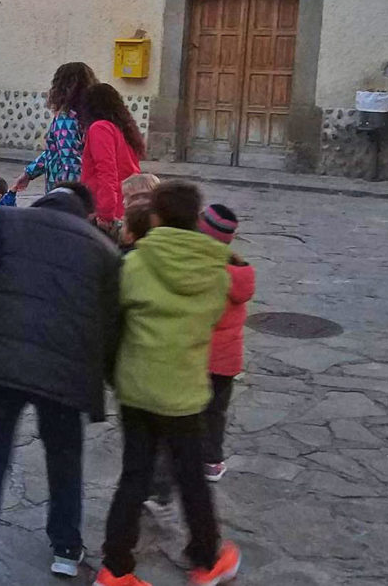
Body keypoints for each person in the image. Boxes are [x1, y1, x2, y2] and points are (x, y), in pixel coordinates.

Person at [0, 182, 122, 585]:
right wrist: (114, 380)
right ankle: (66, 549)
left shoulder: (6, 221)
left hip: (2, 364)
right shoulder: (104, 250)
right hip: (66, 374)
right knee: (65, 457)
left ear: (45, 200)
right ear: (83, 212)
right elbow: (113, 326)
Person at [96, 181, 240, 586]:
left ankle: (116, 567)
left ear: (155, 217)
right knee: (192, 477)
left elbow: (111, 322)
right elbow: (211, 320)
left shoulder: (134, 264)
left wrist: (114, 373)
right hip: (184, 391)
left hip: (137, 388)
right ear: (195, 219)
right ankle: (206, 558)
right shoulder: (216, 271)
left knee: (134, 476)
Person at [197, 204, 255, 482]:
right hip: (226, 359)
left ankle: (185, 455)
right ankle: (212, 462)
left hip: (197, 353)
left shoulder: (202, 269)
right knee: (216, 412)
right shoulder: (239, 270)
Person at [14, 62, 98, 194]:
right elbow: (54, 152)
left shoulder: (66, 119)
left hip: (66, 194)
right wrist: (29, 173)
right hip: (89, 188)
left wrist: (66, 196)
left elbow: (70, 161)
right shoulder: (89, 114)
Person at [79, 83, 144, 234]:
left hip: (107, 210)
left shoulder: (100, 128)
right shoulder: (124, 128)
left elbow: (106, 171)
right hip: (126, 203)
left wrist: (105, 214)